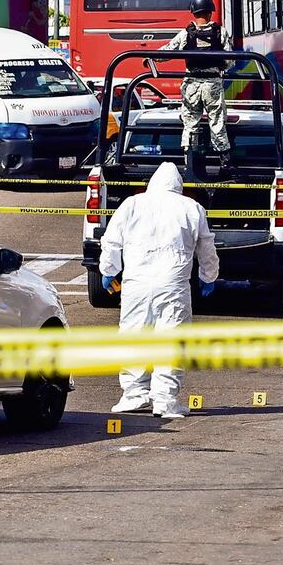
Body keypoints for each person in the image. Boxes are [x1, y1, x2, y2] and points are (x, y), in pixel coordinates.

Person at [101, 162, 220, 419]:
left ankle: (133, 394)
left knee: (133, 335)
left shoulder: (132, 205)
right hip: (173, 284)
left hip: (136, 283)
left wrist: (109, 270)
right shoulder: (191, 208)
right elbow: (206, 247)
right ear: (179, 186)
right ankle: (165, 400)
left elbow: (111, 240)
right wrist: (208, 276)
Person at [161, 0, 233, 171]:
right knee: (217, 121)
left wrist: (150, 59)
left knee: (190, 121)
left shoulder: (186, 33)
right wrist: (220, 66)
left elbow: (168, 51)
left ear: (193, 13)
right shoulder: (220, 32)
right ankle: (224, 161)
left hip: (191, 84)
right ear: (210, 13)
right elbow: (230, 60)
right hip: (213, 84)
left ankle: (190, 161)